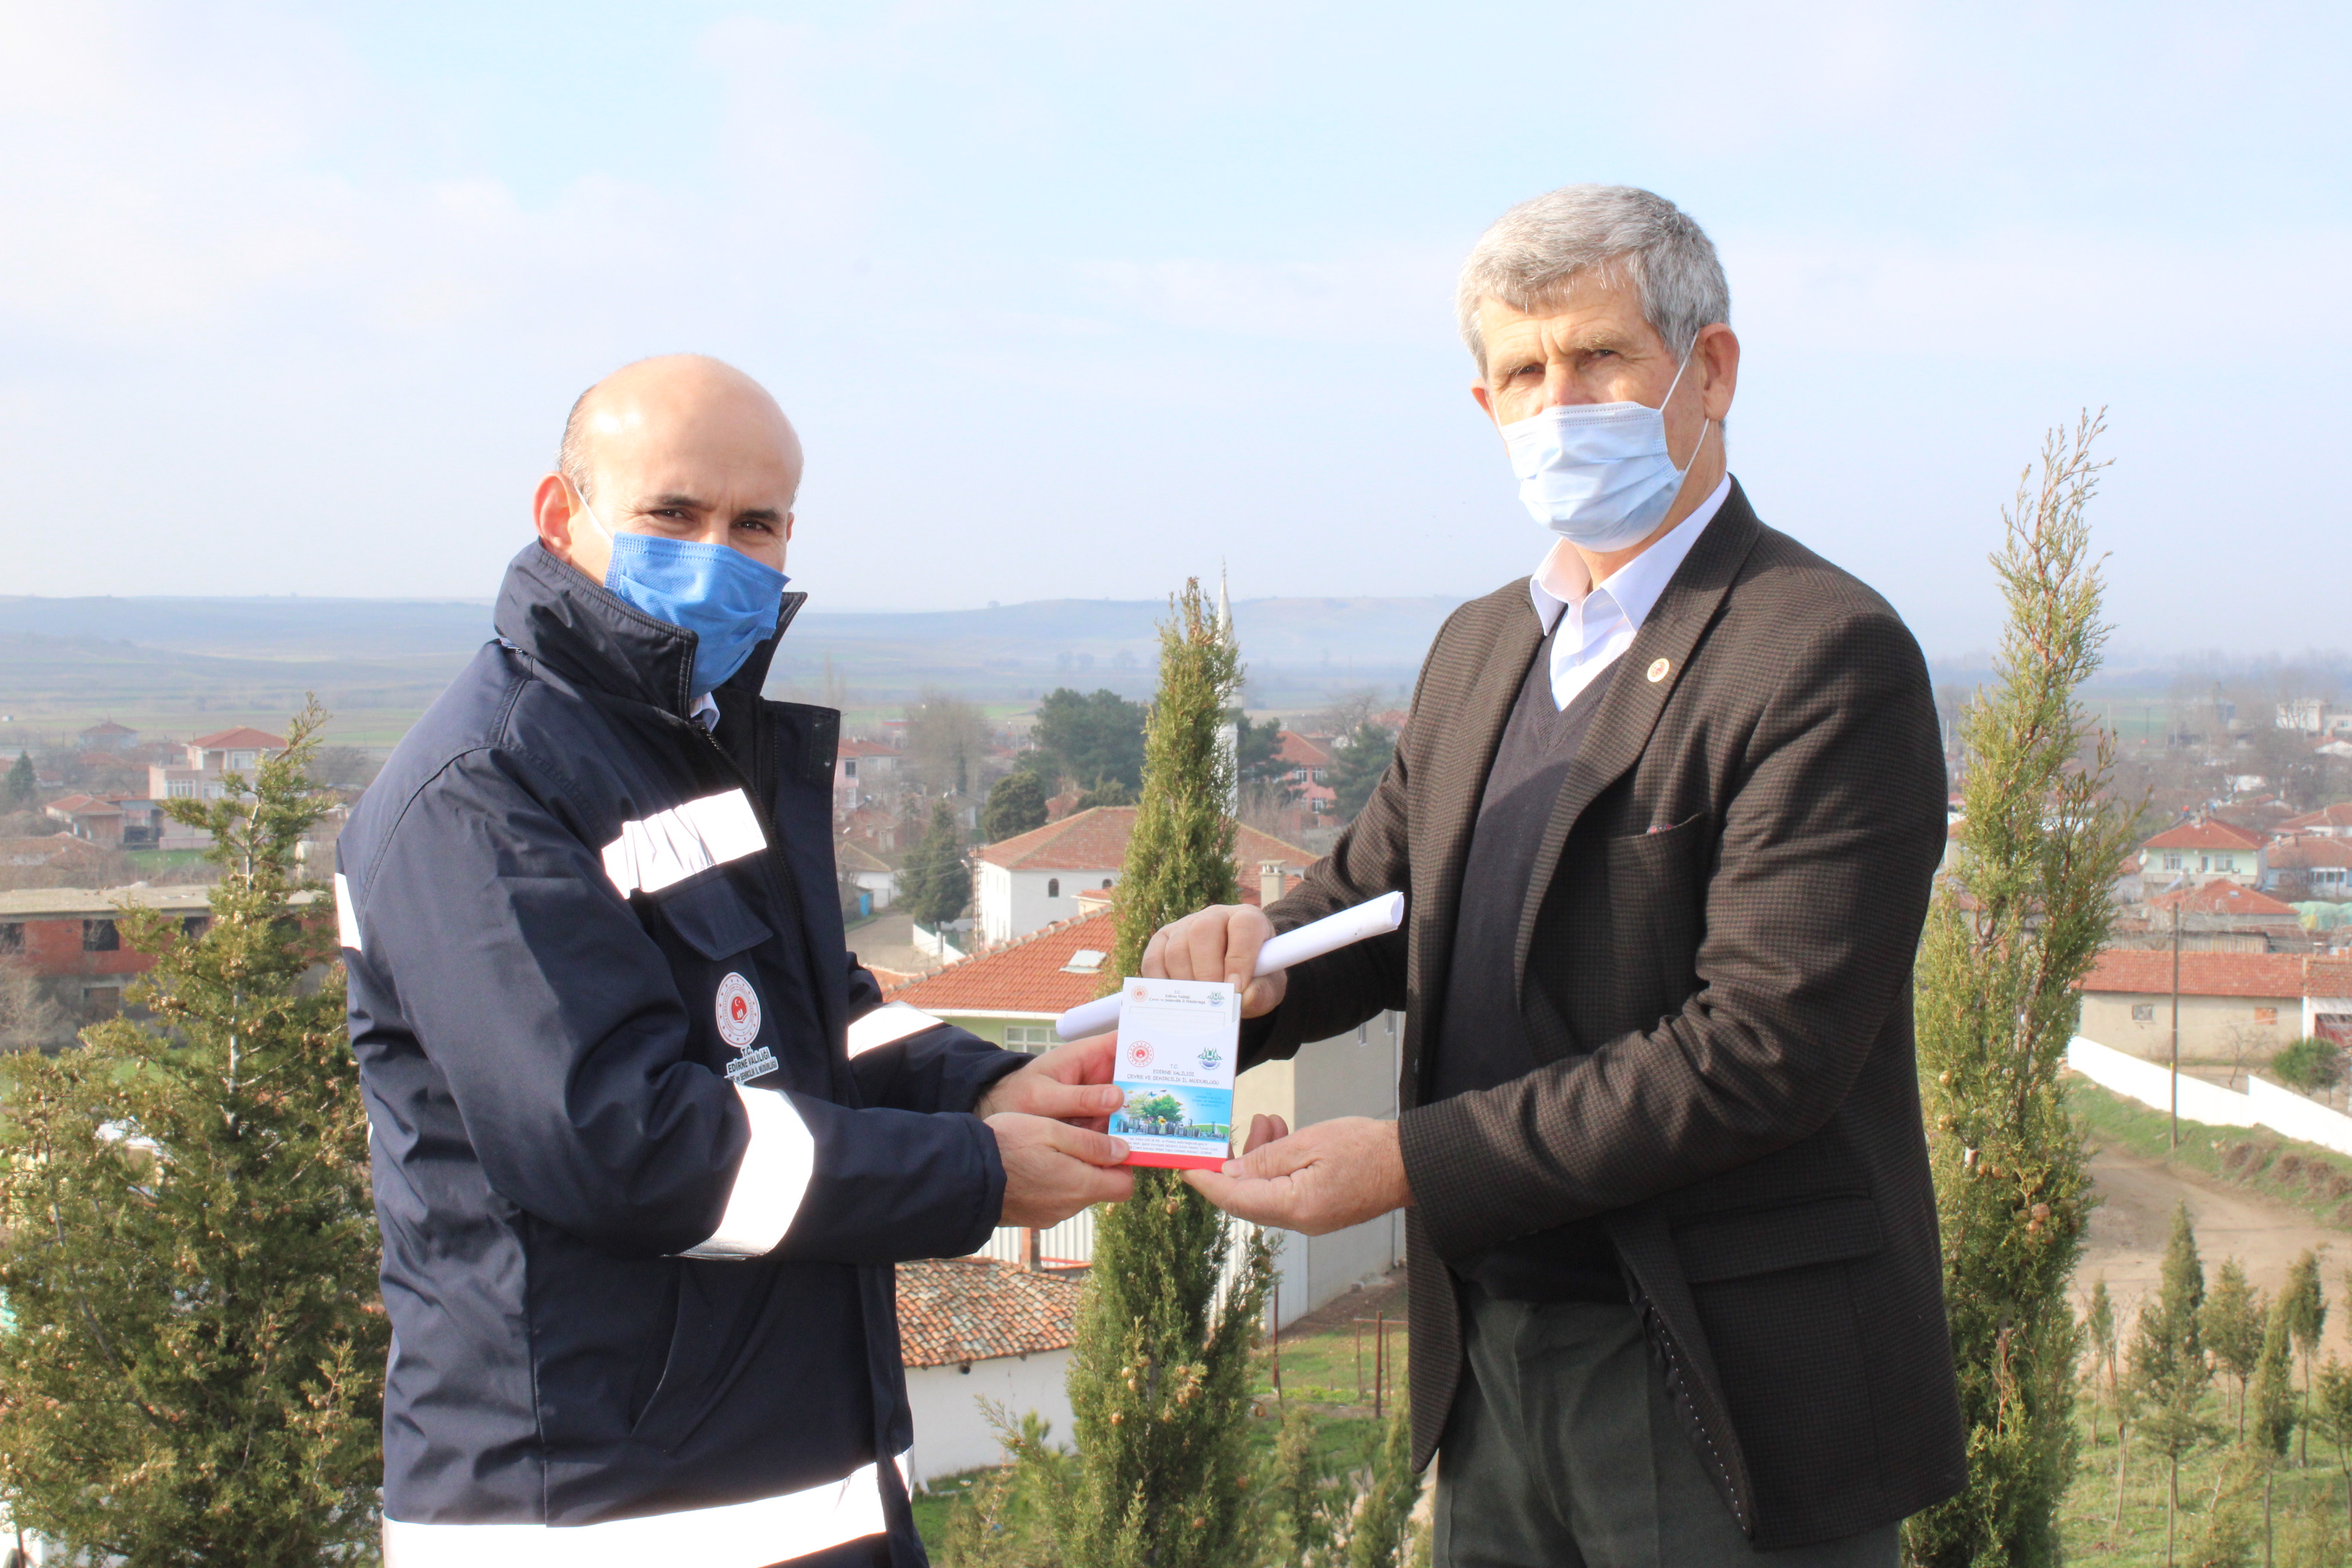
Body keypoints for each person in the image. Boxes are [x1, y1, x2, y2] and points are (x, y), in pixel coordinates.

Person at [1148, 187, 1966, 1565]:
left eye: (1600, 358)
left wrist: (1406, 1161)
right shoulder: (1482, 645)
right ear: (1485, 406)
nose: (1558, 402)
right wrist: (1243, 975)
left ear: (1710, 371)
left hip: (1717, 1371)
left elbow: (1762, 1050)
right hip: (1492, 1356)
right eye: (1524, 373)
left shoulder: (1820, 650)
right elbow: (1378, 899)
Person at [337, 355, 1133, 1566]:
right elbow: (623, 1141)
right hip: (597, 1521)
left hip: (799, 1489)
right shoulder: (483, 791)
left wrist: (979, 1086)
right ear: (564, 514)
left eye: (754, 523)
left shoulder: (693, 748)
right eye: (673, 514)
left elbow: (817, 1025)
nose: (717, 552)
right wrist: (973, 1172)